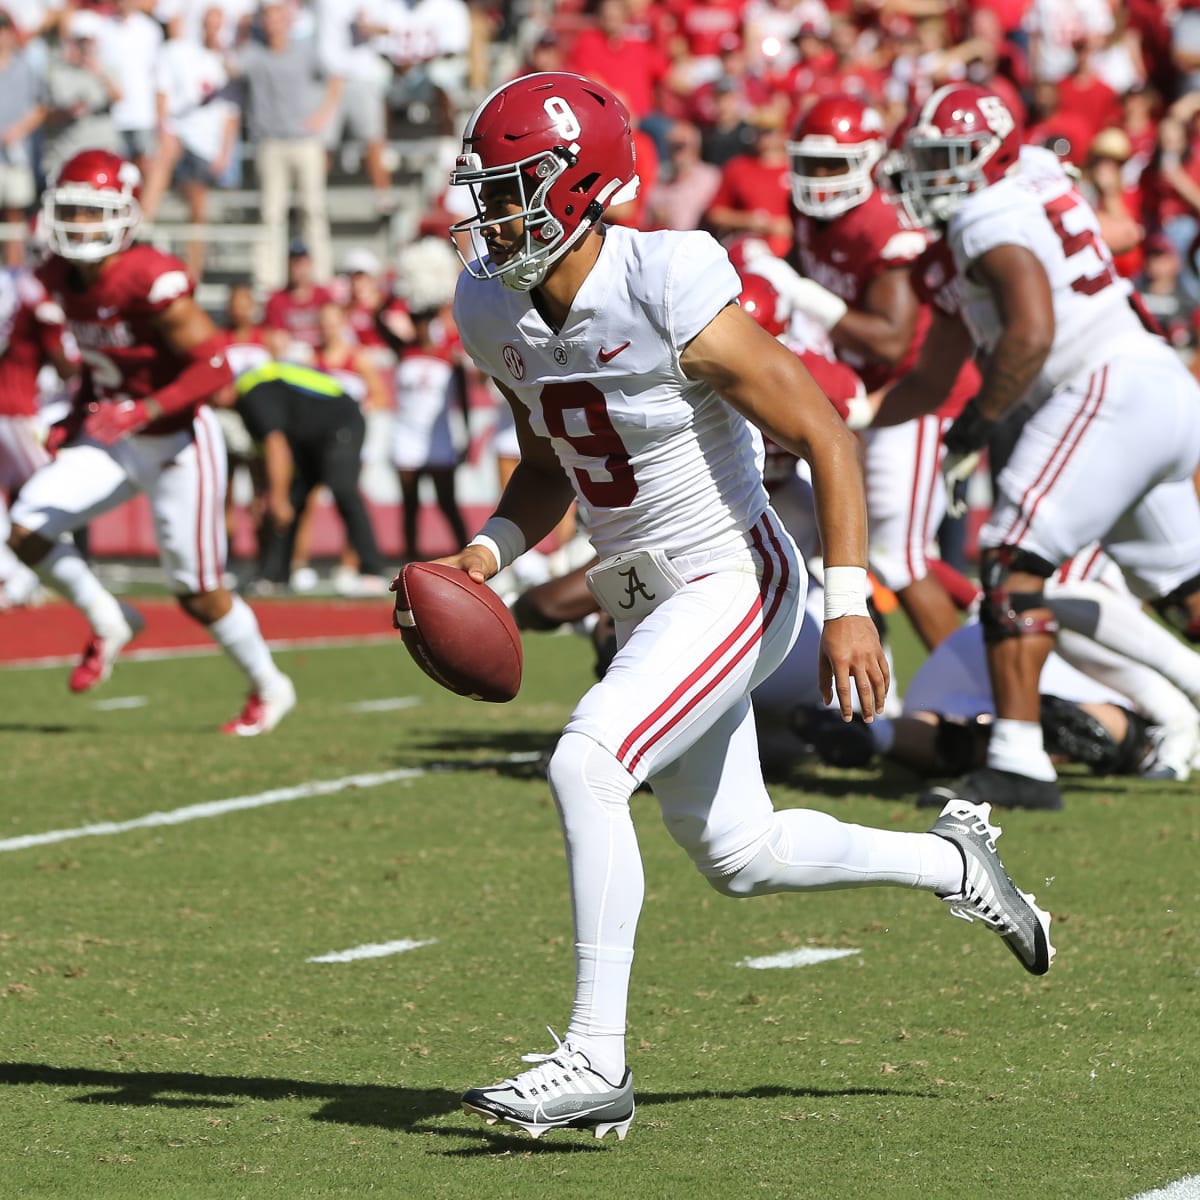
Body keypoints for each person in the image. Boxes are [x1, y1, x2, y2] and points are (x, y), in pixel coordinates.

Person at [421, 71, 1054, 1142]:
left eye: (517, 187)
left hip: (732, 576)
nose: (493, 213)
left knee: (586, 763)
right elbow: (549, 459)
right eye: (487, 189)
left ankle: (594, 1061)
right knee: (738, 852)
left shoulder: (666, 278)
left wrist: (849, 602)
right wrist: (484, 554)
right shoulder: (490, 303)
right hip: (645, 598)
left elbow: (824, 433)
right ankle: (956, 862)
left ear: (583, 188)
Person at [884, 82, 1200, 811]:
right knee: (1186, 590)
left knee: (1008, 562)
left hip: (1104, 386)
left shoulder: (985, 213)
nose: (933, 175)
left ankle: (1021, 760)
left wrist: (976, 426)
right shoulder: (1033, 176)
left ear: (986, 158)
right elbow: (936, 371)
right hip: (1155, 379)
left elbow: (1029, 332)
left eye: (947, 158)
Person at [7, 149, 296, 734]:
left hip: (176, 442)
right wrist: (81, 407)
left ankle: (271, 685)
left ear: (124, 214)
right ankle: (108, 616)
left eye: (95, 212)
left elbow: (215, 368)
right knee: (27, 528)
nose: (82, 224)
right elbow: (98, 353)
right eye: (74, 211)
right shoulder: (59, 275)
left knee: (197, 593)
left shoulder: (149, 275)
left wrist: (148, 406)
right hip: (115, 434)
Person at [231, 360, 386, 593]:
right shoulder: (249, 395)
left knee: (343, 491)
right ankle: (274, 576)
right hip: (308, 438)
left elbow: (276, 445)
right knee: (294, 499)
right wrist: (267, 494)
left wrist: (277, 498)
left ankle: (372, 571)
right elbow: (266, 449)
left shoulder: (253, 393)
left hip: (341, 423)